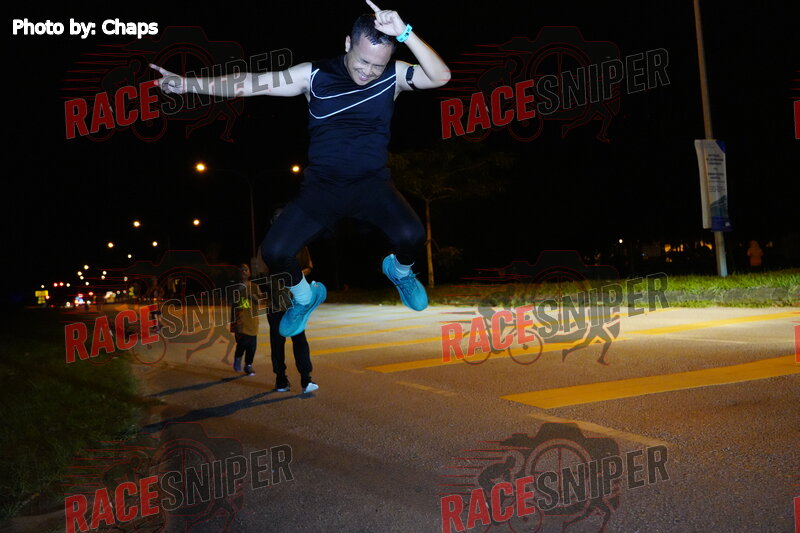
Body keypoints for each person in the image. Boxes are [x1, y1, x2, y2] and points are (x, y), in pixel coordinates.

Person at [151, 1, 451, 339]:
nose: (368, 72)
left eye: (377, 65)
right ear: (348, 44)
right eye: (363, 61)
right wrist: (188, 84)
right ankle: (306, 297)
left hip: (372, 185)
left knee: (412, 236)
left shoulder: (394, 75)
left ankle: (400, 272)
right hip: (322, 188)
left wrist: (405, 33)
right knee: (274, 252)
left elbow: (440, 76)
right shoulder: (313, 76)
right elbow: (248, 82)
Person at [266, 245, 317, 393]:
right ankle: (280, 378)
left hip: (296, 302)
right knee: (277, 342)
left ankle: (306, 379)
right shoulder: (268, 245)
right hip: (276, 304)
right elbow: (260, 271)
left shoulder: (300, 244)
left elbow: (308, 266)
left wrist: (295, 277)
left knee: (300, 340)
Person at [230, 263, 265, 376]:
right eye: (241, 270)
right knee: (242, 343)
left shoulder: (254, 286)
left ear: (249, 273)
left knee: (252, 345)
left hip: (252, 321)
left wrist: (253, 296)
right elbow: (235, 303)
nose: (244, 271)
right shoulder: (235, 287)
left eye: (246, 269)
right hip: (240, 320)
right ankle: (238, 358)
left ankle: (248, 365)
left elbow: (260, 300)